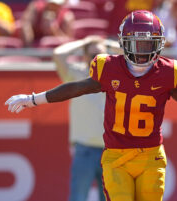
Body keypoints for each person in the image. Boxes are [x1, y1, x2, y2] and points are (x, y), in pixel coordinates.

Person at [5, 10, 177, 201]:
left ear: (159, 45)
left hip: (150, 157)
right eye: (137, 43)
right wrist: (33, 99)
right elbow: (74, 88)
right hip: (116, 157)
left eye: (148, 44)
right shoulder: (108, 68)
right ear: (124, 42)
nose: (142, 50)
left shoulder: (169, 72)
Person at [53, 36, 120, 201]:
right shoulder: (76, 74)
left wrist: (108, 44)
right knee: (78, 198)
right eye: (93, 56)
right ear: (84, 57)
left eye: (102, 56)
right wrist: (84, 42)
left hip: (111, 151)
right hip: (85, 150)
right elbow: (58, 54)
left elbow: (133, 56)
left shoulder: (116, 76)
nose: (97, 60)